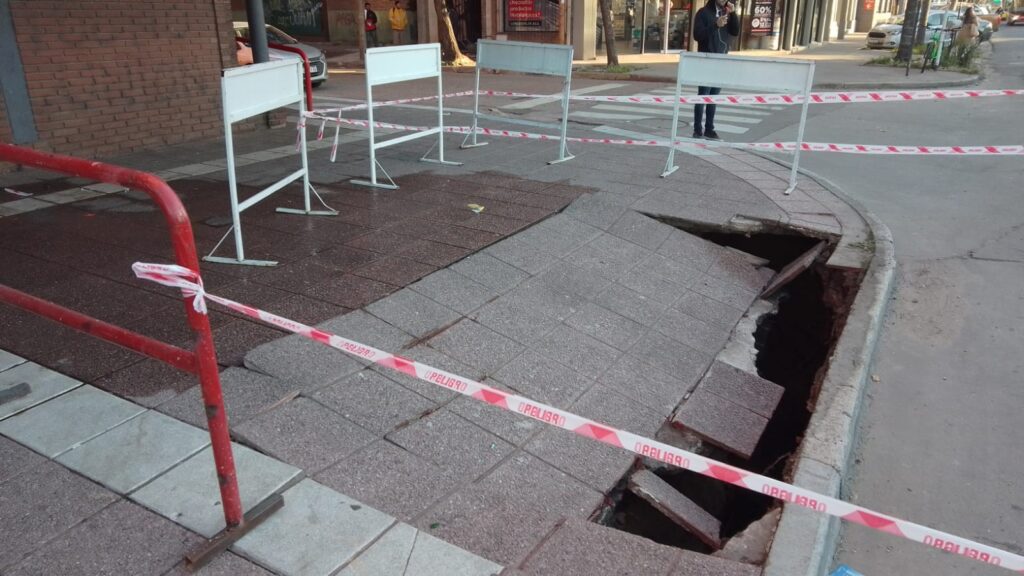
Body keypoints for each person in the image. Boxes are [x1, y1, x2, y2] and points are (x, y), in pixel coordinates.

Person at [691, 0, 739, 140]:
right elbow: (698, 35)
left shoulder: (727, 13)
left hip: (721, 60)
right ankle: (697, 130)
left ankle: (709, 129)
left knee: (714, 97)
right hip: (706, 60)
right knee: (703, 95)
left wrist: (734, 14)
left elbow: (735, 31)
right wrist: (715, 25)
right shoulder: (703, 13)